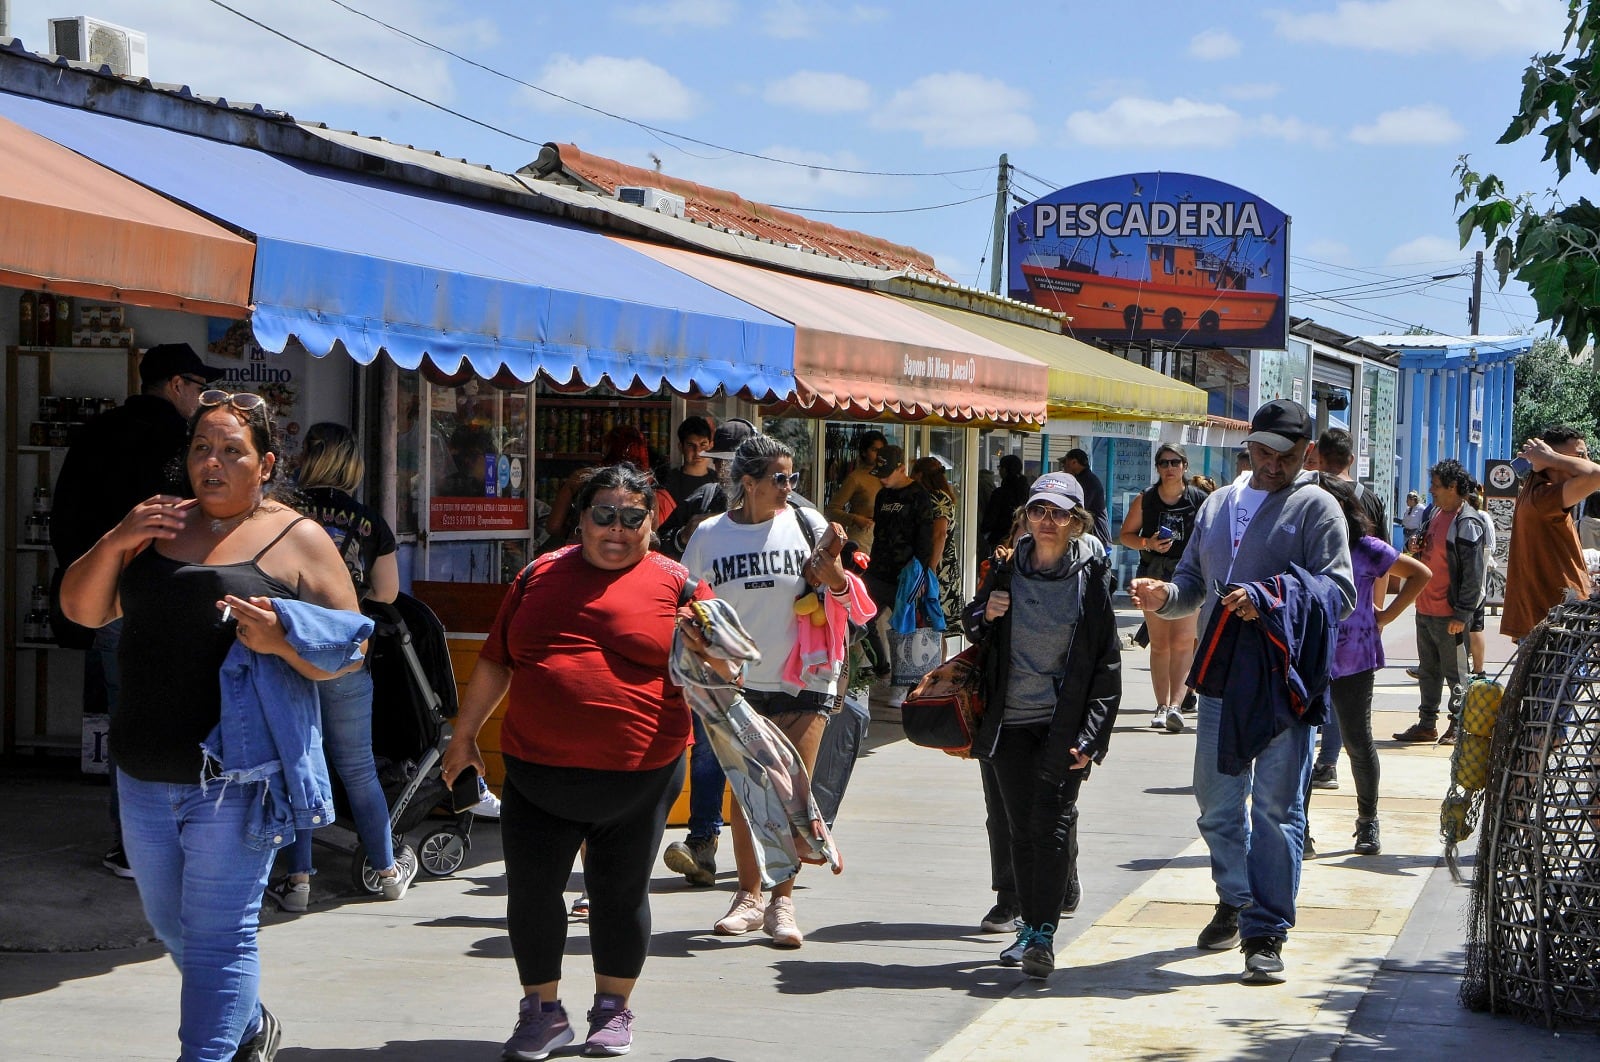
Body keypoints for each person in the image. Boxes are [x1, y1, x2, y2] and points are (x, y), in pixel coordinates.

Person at [60, 388, 369, 1060]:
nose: (213, 462)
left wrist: (283, 643)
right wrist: (118, 539)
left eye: (233, 450)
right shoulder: (158, 525)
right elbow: (84, 612)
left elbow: (350, 650)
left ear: (265, 464)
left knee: (220, 938)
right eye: (202, 447)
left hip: (237, 779)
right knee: (173, 926)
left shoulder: (298, 538)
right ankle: (248, 1022)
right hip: (143, 773)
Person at [442, 464, 714, 1060]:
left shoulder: (681, 585)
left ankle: (612, 1011)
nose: (616, 529)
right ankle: (541, 1014)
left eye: (632, 517)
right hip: (536, 773)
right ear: (581, 518)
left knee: (620, 896)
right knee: (532, 896)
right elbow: (494, 660)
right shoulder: (537, 574)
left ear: (652, 522)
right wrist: (464, 737)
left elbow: (724, 669)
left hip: (640, 777)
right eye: (604, 515)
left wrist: (710, 653)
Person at [1129, 398, 1354, 986]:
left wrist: (1273, 596)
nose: (1272, 463)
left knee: (1278, 811)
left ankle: (1266, 930)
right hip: (1222, 677)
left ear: (1306, 453)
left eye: (1285, 453)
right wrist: (1164, 597)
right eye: (1262, 450)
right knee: (1215, 800)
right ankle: (1238, 896)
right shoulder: (1220, 504)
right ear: (1248, 446)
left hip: (1285, 682)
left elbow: (1341, 591)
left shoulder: (1317, 507)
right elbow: (1192, 583)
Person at [679, 433, 869, 948]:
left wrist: (833, 578)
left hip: (806, 676)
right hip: (738, 680)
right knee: (747, 792)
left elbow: (845, 598)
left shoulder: (806, 526)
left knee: (789, 788)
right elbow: (691, 606)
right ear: (747, 483)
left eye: (793, 477)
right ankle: (749, 895)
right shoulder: (709, 537)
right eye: (778, 479)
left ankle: (782, 901)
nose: (789, 487)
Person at [50, 343, 227, 879]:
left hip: (104, 600)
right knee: (186, 716)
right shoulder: (183, 444)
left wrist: (93, 581)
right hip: (168, 602)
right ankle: (176, 839)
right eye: (198, 387)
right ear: (176, 385)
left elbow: (64, 521)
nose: (199, 399)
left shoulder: (95, 434)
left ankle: (132, 842)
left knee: (126, 721)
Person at [963, 472, 1121, 980]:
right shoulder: (1006, 569)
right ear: (1025, 516)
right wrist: (986, 611)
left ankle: (1040, 935)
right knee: (1020, 829)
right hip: (1009, 721)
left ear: (1077, 522)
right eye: (1038, 511)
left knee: (1049, 825)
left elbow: (1106, 666)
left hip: (1063, 725)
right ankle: (1028, 926)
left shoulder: (1091, 577)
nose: (1046, 521)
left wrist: (1091, 738)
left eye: (1058, 513)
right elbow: (970, 621)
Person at [265, 422, 419, 913]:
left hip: (286, 650)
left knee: (298, 763)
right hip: (346, 654)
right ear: (354, 464)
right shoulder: (370, 520)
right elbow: (388, 594)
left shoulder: (279, 515)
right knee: (357, 768)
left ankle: (298, 881)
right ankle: (386, 870)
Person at [1304, 476, 1429, 857]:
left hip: (1354, 656)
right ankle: (1299, 826)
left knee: (1358, 740)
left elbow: (1420, 574)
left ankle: (1367, 822)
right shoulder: (1303, 546)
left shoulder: (1365, 548)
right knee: (1298, 746)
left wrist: (1386, 615)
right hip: (1307, 655)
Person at [656, 418, 757, 888]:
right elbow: (659, 552)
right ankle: (703, 844)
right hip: (709, 651)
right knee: (710, 753)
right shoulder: (702, 504)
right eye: (717, 463)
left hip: (771, 660)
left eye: (729, 464)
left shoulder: (792, 511)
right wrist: (685, 534)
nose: (722, 473)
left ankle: (771, 845)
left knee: (761, 755)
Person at [1393, 459, 1488, 745]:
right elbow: (1422, 548)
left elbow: (1473, 574)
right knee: (1428, 671)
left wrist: (1462, 614)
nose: (1431, 490)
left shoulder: (1468, 522)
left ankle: (1458, 724)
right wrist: (1413, 546)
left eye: (1436, 485)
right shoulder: (1433, 512)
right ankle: (1427, 723)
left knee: (1456, 674)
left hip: (1450, 615)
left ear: (1453, 487)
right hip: (1425, 608)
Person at [1119, 444, 1209, 733]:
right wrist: (1148, 543)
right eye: (1163, 463)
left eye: (1174, 462)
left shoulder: (1199, 499)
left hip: (1188, 576)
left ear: (1184, 465)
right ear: (1157, 468)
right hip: (1154, 574)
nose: (1169, 468)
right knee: (1160, 643)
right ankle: (1161, 704)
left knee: (1183, 641)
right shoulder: (1146, 499)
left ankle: (1175, 706)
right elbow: (1125, 536)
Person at [1502, 427, 1600, 641]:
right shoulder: (1544, 497)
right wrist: (1551, 458)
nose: (1587, 461)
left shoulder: (1533, 490)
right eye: (1581, 456)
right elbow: (1597, 475)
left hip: (1548, 619)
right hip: (1556, 624)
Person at [865, 445, 938, 705]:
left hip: (906, 573)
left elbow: (925, 539)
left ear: (901, 469)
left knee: (904, 629)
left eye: (887, 473)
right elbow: (879, 534)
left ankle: (902, 683)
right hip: (877, 571)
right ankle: (881, 668)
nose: (882, 478)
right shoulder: (882, 496)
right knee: (861, 620)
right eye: (879, 473)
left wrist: (920, 574)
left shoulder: (919, 496)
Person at [546, 425, 654, 546]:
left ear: (608, 449)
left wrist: (574, 534)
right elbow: (651, 535)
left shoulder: (581, 478)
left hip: (582, 551)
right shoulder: (646, 488)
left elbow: (553, 526)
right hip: (627, 555)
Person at [911, 455, 963, 629]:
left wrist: (931, 569)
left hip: (939, 567)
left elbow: (940, 534)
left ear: (919, 475)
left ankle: (937, 657)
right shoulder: (941, 496)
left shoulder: (936, 498)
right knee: (933, 624)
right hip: (940, 565)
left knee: (933, 623)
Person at [826, 429, 887, 552]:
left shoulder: (888, 475)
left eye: (882, 451)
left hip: (885, 535)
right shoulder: (855, 478)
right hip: (863, 534)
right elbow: (831, 510)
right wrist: (855, 519)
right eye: (874, 450)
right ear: (864, 452)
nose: (878, 455)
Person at [657, 416, 717, 506]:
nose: (698, 451)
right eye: (691, 445)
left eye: (703, 444)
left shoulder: (718, 481)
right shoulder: (667, 482)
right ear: (681, 447)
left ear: (710, 445)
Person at [979, 454, 1029, 556]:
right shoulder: (1027, 491)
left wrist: (986, 533)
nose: (999, 471)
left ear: (1005, 470)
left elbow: (990, 519)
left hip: (1000, 539)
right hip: (1023, 538)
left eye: (1000, 468)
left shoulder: (1000, 493)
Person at [1060, 448, 1111, 546]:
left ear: (1074, 462)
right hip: (1090, 537)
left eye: (1065, 464)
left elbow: (1078, 509)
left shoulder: (1087, 481)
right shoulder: (1083, 479)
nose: (1064, 468)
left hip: (1095, 538)